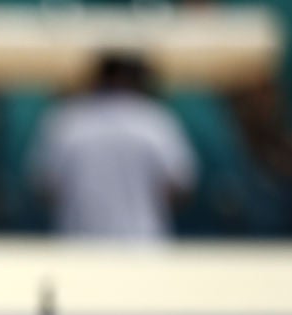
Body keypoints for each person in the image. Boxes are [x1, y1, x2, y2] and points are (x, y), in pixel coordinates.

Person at [29, 52, 197, 241]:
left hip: (79, 244)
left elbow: (46, 187)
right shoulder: (155, 120)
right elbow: (179, 186)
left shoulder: (67, 120)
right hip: (141, 244)